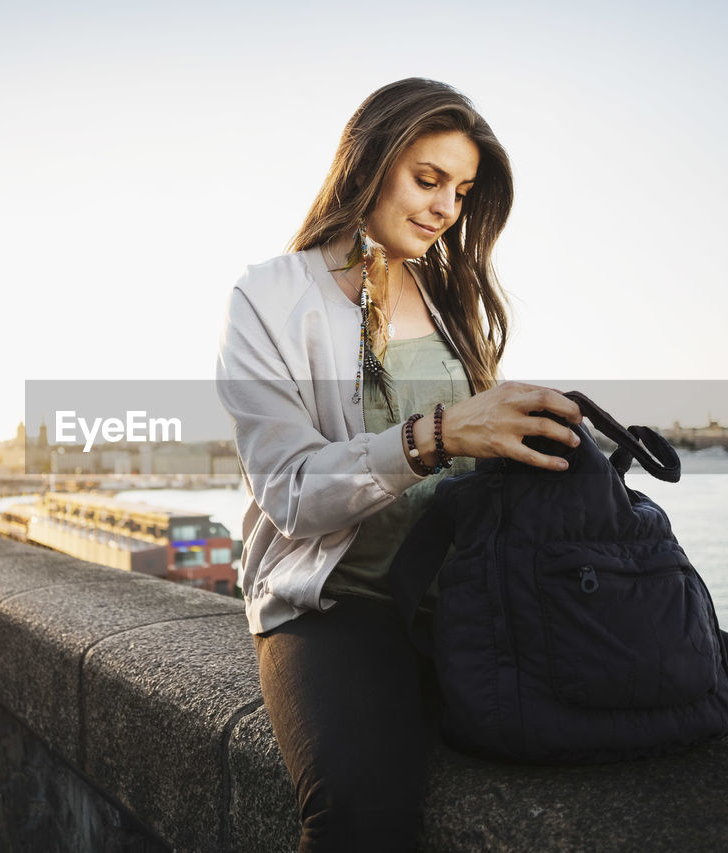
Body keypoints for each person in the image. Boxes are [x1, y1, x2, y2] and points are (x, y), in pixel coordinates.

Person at [215, 78, 586, 851]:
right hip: (338, 601)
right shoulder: (269, 296)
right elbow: (292, 493)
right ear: (369, 162)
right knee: (361, 814)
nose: (447, 206)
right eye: (428, 179)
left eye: (463, 188)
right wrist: (437, 434)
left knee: (718, 675)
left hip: (462, 589)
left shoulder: (451, 294)